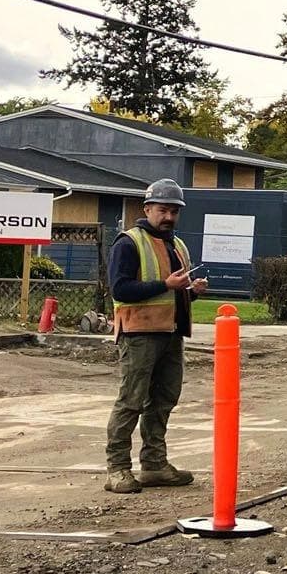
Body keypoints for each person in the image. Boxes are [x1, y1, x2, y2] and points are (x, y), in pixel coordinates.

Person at [104, 179, 208, 493]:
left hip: (171, 334)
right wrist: (166, 285)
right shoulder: (128, 243)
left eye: (174, 211)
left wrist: (192, 292)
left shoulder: (178, 246)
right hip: (139, 334)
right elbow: (120, 289)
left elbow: (173, 292)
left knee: (163, 400)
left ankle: (153, 464)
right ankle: (117, 469)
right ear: (147, 209)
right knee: (131, 401)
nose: (169, 217)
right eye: (163, 210)